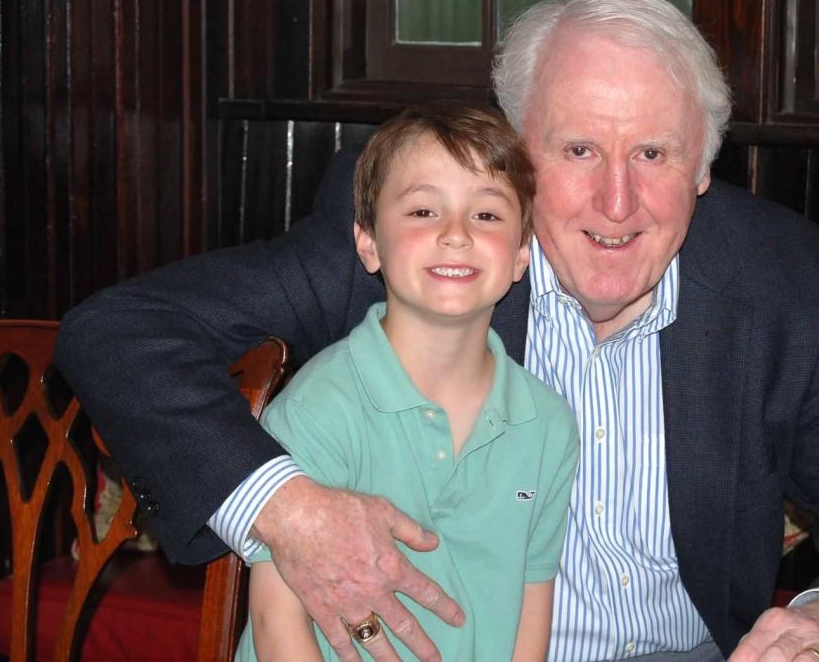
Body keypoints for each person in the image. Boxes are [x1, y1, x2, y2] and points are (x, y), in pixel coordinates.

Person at [56, 0, 819, 662]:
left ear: (702, 168)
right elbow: (122, 333)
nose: (618, 201)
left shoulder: (778, 282)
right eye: (577, 150)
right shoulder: (427, 250)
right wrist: (290, 512)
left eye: (653, 153)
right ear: (514, 155)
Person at [237, 102, 578, 661]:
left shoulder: (548, 426)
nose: (456, 234)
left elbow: (530, 611)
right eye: (423, 211)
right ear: (368, 241)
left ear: (521, 254)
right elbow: (278, 626)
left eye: (487, 215)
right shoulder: (320, 409)